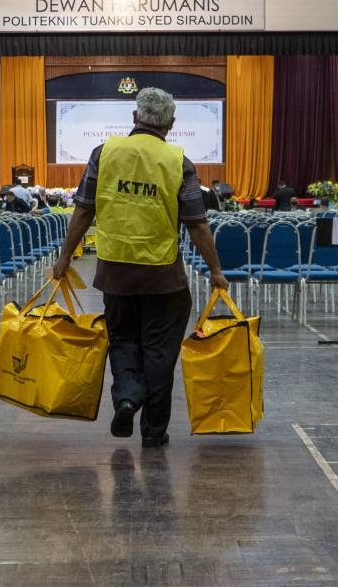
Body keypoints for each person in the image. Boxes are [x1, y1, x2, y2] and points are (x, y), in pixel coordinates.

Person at [53, 86, 227, 449]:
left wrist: (65, 256)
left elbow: (83, 209)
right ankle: (153, 431)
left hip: (115, 271)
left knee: (123, 339)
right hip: (163, 274)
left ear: (134, 118)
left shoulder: (104, 153)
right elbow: (197, 223)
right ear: (172, 124)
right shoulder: (180, 162)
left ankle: (128, 396)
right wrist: (215, 270)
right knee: (161, 350)